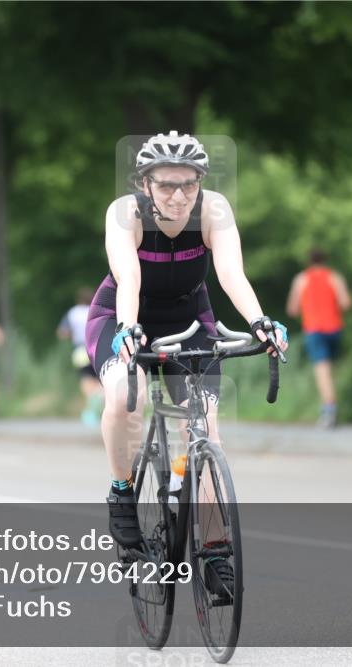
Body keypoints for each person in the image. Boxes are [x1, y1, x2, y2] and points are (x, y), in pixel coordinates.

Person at [85, 129, 287, 599]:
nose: (179, 195)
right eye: (166, 185)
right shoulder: (125, 213)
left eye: (189, 184)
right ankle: (121, 493)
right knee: (123, 398)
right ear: (144, 183)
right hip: (122, 314)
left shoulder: (213, 210)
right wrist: (130, 329)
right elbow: (128, 277)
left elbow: (231, 272)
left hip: (190, 318)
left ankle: (214, 550)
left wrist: (258, 322)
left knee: (207, 431)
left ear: (201, 182)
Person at [285, 248, 351, 428]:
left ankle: (329, 410)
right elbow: (346, 303)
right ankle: (332, 405)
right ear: (325, 260)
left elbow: (292, 309)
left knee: (322, 370)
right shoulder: (334, 277)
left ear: (309, 261)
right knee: (331, 369)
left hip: (314, 329)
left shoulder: (301, 279)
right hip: (335, 328)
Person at [58, 287, 103, 426]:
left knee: (85, 380)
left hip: (80, 349)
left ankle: (91, 410)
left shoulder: (72, 313)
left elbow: (62, 333)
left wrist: (73, 334)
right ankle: (97, 405)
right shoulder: (96, 310)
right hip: (96, 348)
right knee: (98, 381)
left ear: (78, 300)